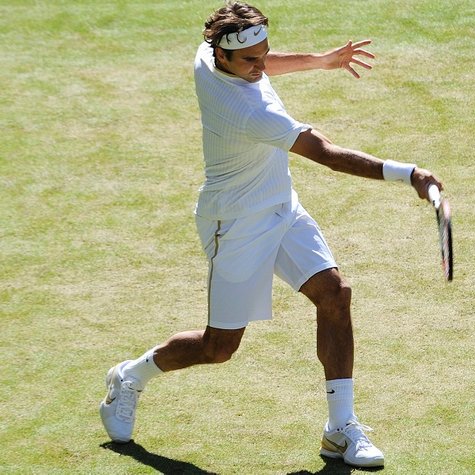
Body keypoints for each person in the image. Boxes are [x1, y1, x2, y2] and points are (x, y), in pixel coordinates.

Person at [99, 1, 444, 469]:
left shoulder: (212, 57)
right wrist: (410, 176)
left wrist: (323, 60)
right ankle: (130, 375)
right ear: (221, 56)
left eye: (265, 55)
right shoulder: (246, 111)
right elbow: (325, 153)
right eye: (250, 61)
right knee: (218, 348)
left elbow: (264, 61)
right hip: (236, 224)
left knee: (334, 294)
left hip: (282, 208)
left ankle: (340, 429)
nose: (262, 68)